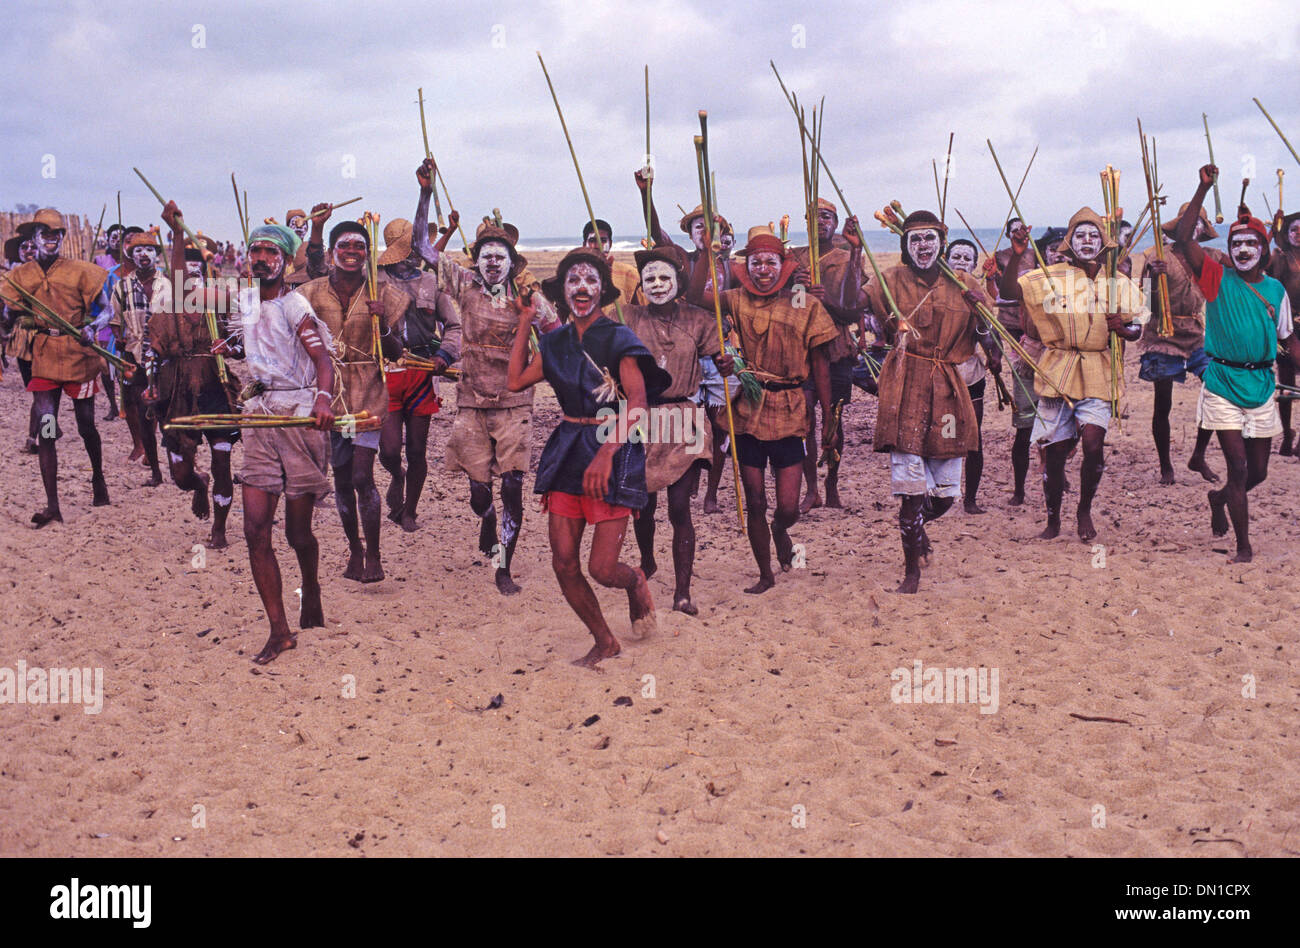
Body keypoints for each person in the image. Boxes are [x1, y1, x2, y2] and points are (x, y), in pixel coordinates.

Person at [506, 247, 668, 667]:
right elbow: (515, 380)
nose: (582, 287)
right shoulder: (556, 340)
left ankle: (634, 581)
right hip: (567, 451)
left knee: (601, 568)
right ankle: (605, 640)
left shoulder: (618, 339)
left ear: (603, 290)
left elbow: (636, 403)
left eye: (591, 280)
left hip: (613, 448)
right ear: (563, 291)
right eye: (574, 281)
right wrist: (525, 321)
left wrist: (607, 453)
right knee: (563, 562)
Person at [414, 187, 560, 596]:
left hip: (515, 405)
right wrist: (424, 194)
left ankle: (503, 565)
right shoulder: (465, 286)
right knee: (480, 491)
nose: (493, 262)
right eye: (487, 256)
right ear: (477, 263)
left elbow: (558, 337)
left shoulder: (529, 299)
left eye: (501, 256)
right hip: (472, 401)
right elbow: (421, 247)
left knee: (512, 483)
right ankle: (488, 518)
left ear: (512, 263)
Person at [688, 225, 838, 594]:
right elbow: (694, 296)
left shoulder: (803, 303)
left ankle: (780, 531)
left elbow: (820, 364)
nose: (763, 269)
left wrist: (828, 413)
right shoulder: (735, 299)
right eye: (756, 262)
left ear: (783, 266)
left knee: (787, 506)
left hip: (789, 409)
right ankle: (765, 573)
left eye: (771, 262)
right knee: (755, 500)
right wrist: (709, 253)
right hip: (747, 409)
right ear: (747, 266)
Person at [1173, 166, 1300, 562]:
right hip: (1222, 382)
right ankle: (1244, 546)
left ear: (1264, 249)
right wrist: (1203, 188)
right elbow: (1182, 236)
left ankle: (1218, 499)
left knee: (1258, 472)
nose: (1243, 249)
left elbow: (1289, 339)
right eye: (1237, 243)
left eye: (1251, 243)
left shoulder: (1275, 289)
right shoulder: (1216, 278)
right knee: (1240, 468)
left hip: (1261, 384)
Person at [867, 212, 996, 592]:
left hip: (948, 389)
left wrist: (982, 313)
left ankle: (918, 525)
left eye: (929, 238)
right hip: (904, 384)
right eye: (914, 239)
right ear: (905, 246)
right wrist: (855, 247)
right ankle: (912, 571)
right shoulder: (888, 281)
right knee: (910, 489)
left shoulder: (966, 284)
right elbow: (846, 307)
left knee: (945, 496)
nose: (923, 245)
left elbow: (989, 343)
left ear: (941, 241)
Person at [1001, 207, 1146, 542]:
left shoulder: (1117, 281)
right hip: (1058, 368)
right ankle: (1053, 519)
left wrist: (1122, 329)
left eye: (1093, 235)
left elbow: (1139, 324)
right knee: (1055, 452)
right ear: (1069, 241)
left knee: (1094, 443)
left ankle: (1084, 508)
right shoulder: (1051, 276)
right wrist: (1017, 256)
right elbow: (1011, 293)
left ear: (1103, 242)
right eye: (1080, 235)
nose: (1087, 241)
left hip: (1098, 367)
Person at [228, 223, 336, 664]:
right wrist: (232, 348)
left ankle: (310, 584)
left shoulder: (296, 305)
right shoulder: (248, 302)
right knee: (255, 530)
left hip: (297, 419)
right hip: (258, 420)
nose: (260, 258)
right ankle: (279, 630)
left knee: (297, 533)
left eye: (270, 251)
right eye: (255, 251)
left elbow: (321, 359)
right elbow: (260, 352)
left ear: (285, 260)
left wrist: (324, 398)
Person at [299, 219, 409, 583]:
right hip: (328, 395)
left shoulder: (385, 293)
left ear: (367, 254)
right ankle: (354, 550)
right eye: (344, 247)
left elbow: (396, 354)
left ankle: (375, 555)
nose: (351, 252)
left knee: (363, 476)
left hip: (368, 394)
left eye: (359, 247)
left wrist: (385, 325)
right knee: (342, 481)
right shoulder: (310, 294)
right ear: (332, 252)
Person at [624, 244, 723, 614]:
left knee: (679, 508)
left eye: (665, 277)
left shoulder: (700, 319)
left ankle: (683, 592)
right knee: (643, 507)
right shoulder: (628, 316)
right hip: (643, 418)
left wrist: (729, 366)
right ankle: (648, 560)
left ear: (678, 281)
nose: (657, 284)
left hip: (685, 417)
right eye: (649, 278)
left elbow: (719, 362)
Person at [0, 209, 113, 526]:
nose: (51, 239)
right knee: (46, 427)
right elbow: (9, 315)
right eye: (44, 234)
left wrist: (93, 327)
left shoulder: (82, 271)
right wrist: (7, 323)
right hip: (45, 355)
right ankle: (53, 506)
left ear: (62, 238)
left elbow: (106, 310)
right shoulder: (21, 277)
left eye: (56, 234)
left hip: (80, 354)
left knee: (86, 425)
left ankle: (98, 477)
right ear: (33, 238)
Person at [372, 171, 463, 533]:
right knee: (390, 452)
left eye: (412, 251)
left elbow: (453, 326)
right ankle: (397, 476)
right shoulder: (375, 282)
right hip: (388, 373)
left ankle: (410, 509)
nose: (409, 258)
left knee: (419, 449)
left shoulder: (431, 281)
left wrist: (446, 356)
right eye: (403, 252)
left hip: (425, 371)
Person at [152, 202, 244, 548]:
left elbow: (243, 346)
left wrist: (229, 348)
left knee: (223, 461)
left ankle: (219, 529)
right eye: (185, 260)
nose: (190, 268)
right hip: (179, 394)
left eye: (198, 261)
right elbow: (154, 353)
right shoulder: (170, 302)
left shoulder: (221, 300)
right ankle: (198, 484)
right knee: (181, 474)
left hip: (216, 389)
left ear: (209, 266)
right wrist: (176, 232)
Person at [790, 198, 866, 512]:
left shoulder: (846, 257)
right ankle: (811, 489)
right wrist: (797, 291)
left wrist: (824, 301)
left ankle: (831, 484)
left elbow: (852, 309)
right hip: (802, 350)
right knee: (804, 422)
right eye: (814, 217)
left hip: (836, 347)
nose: (820, 222)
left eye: (826, 217)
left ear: (835, 223)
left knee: (833, 420)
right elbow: (787, 308)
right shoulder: (792, 258)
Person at [1136, 203, 1219, 483]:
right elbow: (1146, 306)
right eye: (1188, 223)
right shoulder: (1156, 256)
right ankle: (1165, 466)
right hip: (1162, 335)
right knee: (1163, 404)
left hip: (1196, 334)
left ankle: (1198, 455)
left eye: (1197, 224)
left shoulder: (1210, 257)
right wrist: (1152, 276)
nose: (1192, 228)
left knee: (1218, 390)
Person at [109, 230, 169, 487]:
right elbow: (114, 319)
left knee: (166, 409)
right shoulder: (121, 285)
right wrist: (119, 337)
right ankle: (154, 469)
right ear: (131, 255)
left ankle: (182, 461)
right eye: (138, 251)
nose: (143, 255)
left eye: (148, 250)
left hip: (162, 356)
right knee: (138, 406)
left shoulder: (168, 284)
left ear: (156, 254)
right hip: (133, 354)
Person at [946, 238, 994, 513]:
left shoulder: (977, 293)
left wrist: (978, 313)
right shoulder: (936, 290)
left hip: (969, 371)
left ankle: (971, 499)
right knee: (943, 435)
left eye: (967, 258)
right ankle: (941, 492)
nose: (961, 262)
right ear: (946, 259)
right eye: (956, 256)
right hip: (940, 370)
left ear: (975, 266)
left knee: (973, 437)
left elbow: (985, 336)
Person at [1, 233, 41, 454]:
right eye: (24, 247)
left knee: (45, 393)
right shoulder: (11, 279)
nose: (28, 250)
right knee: (38, 393)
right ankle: (43, 432)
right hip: (24, 341)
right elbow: (5, 313)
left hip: (49, 338)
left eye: (33, 246)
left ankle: (39, 436)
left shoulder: (50, 276)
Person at [1269, 206, 1300, 456]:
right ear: (1286, 233)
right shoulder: (1280, 256)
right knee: (1286, 381)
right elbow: (1271, 280)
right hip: (1286, 326)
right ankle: (1287, 433)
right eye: (1293, 229)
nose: (1298, 234)